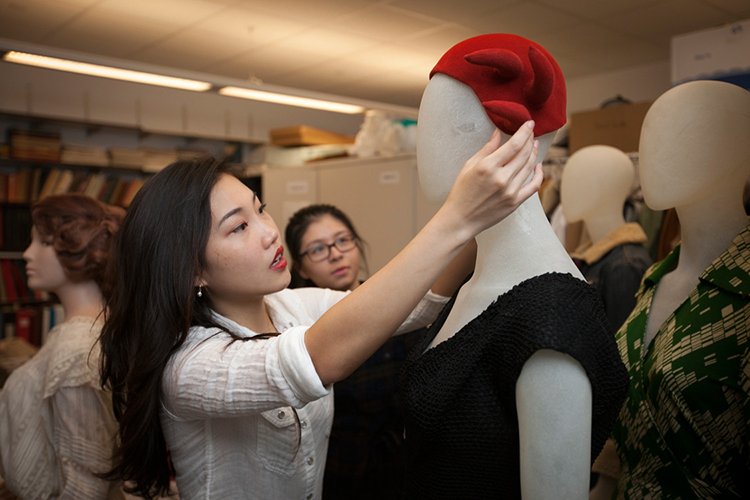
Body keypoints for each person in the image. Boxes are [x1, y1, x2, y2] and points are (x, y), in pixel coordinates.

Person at [99, 118, 540, 500]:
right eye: (239, 227)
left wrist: (487, 217)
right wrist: (458, 216)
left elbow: (415, 306)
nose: (269, 233)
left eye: (261, 210)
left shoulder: (290, 305)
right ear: (193, 270)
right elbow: (317, 359)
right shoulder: (191, 364)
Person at [400, 33, 629, 499]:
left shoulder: (549, 318)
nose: (424, 149)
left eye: (445, 127)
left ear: (510, 139)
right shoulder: (476, 282)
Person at [596, 80, 750, 498]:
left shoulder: (743, 295)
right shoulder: (654, 281)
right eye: (652, 135)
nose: (655, 153)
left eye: (687, 134)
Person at [285, 204, 457, 499]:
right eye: (317, 249)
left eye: (342, 240)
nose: (336, 253)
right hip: (344, 473)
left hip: (410, 466)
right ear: (300, 268)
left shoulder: (400, 306)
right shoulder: (300, 332)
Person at [0, 193, 125, 499]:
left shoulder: (77, 350)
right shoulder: (87, 332)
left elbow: (86, 486)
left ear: (76, 249)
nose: (27, 254)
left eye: (41, 243)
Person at [561, 145, 652, 335]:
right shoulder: (588, 256)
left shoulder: (624, 267)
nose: (565, 190)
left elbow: (618, 351)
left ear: (607, 188)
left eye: (579, 181)